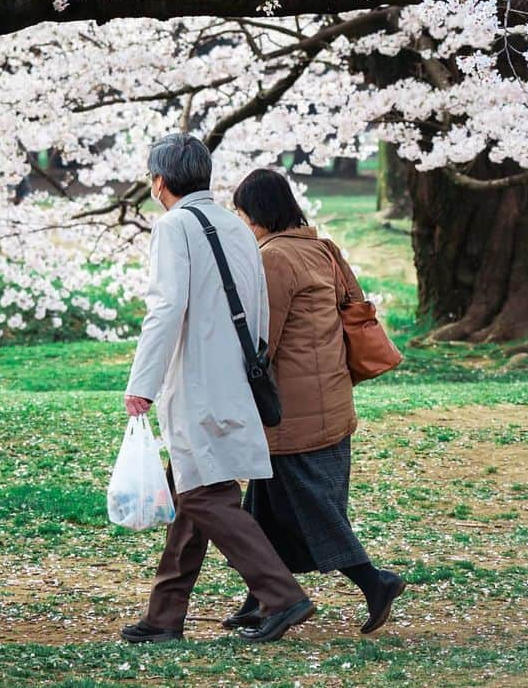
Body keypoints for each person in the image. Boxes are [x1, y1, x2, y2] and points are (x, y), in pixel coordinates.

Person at [120, 134, 315, 646]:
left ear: (159, 181)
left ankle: (282, 596)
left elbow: (165, 307)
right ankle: (164, 616)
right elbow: (259, 308)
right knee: (194, 494)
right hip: (236, 378)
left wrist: (141, 384)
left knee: (206, 496)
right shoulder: (237, 226)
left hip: (197, 383)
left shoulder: (174, 226)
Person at [230, 167, 405, 635]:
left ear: (259, 213)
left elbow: (263, 340)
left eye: (244, 214)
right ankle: (260, 597)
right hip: (329, 397)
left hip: (293, 409)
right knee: (264, 506)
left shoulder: (274, 258)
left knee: (311, 508)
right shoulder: (319, 247)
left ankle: (375, 582)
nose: (243, 224)